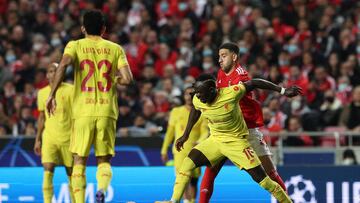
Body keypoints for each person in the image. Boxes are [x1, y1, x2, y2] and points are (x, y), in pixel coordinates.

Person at [157, 74, 301, 203]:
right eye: (196, 93)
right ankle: (173, 201)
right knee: (187, 163)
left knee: (264, 181)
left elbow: (255, 82)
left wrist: (282, 90)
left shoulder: (231, 93)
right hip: (215, 140)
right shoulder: (198, 98)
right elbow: (195, 110)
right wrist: (186, 135)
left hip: (236, 142)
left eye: (201, 93)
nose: (197, 96)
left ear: (212, 90)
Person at [45, 10, 133, 203]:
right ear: (104, 29)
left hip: (83, 112)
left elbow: (63, 65)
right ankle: (101, 190)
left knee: (79, 160)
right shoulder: (116, 48)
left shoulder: (74, 45)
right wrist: (114, 79)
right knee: (103, 159)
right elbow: (128, 79)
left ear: (83, 28)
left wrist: (52, 94)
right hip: (107, 111)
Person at [200, 42, 293, 202]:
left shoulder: (240, 76)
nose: (220, 60)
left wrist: (282, 90)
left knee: (269, 172)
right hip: (227, 131)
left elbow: (255, 82)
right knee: (210, 170)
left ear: (234, 57)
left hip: (246, 130)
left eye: (224, 56)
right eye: (219, 56)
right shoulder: (221, 74)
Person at [33, 63, 75, 203]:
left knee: (72, 174)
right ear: (47, 75)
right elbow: (41, 117)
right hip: (49, 137)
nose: (53, 74)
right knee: (48, 170)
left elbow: (78, 115)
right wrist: (37, 139)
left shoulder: (71, 90)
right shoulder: (42, 93)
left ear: (61, 73)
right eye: (50, 71)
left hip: (69, 138)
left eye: (56, 71)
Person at [160, 87, 209, 203]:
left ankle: (191, 200)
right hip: (179, 151)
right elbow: (169, 133)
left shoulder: (202, 112)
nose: (189, 96)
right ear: (183, 96)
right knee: (183, 176)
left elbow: (205, 131)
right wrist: (163, 150)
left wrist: (200, 141)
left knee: (194, 180)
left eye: (192, 94)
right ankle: (186, 201)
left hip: (195, 150)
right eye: (187, 94)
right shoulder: (176, 111)